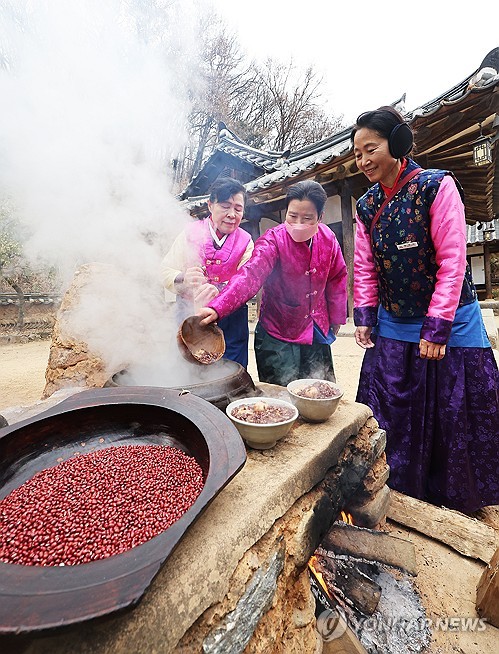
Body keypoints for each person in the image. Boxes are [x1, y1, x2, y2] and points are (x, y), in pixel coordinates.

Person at [351, 105, 499, 514]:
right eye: (357, 153)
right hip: (395, 321)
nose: (363, 161)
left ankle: (457, 499)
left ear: (397, 143)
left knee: (454, 413)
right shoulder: (365, 206)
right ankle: (399, 488)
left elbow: (453, 260)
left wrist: (436, 328)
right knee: (389, 410)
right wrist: (364, 315)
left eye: (371, 149)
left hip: (451, 319)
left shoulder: (436, 187)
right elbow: (364, 265)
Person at [197, 180, 347, 387]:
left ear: (320, 217)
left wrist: (337, 317)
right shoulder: (273, 240)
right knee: (282, 398)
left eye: (307, 218)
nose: (298, 224)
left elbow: (337, 277)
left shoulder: (328, 238)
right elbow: (250, 275)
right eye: (292, 216)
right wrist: (217, 307)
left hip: (315, 329)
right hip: (278, 331)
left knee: (319, 392)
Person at [161, 178, 254, 368]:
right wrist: (184, 278)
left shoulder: (246, 242)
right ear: (210, 205)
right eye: (225, 206)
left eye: (238, 208)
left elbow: (247, 283)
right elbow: (165, 270)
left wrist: (221, 294)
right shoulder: (189, 233)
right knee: (185, 371)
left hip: (231, 322)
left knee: (232, 375)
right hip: (188, 317)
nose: (231, 214)